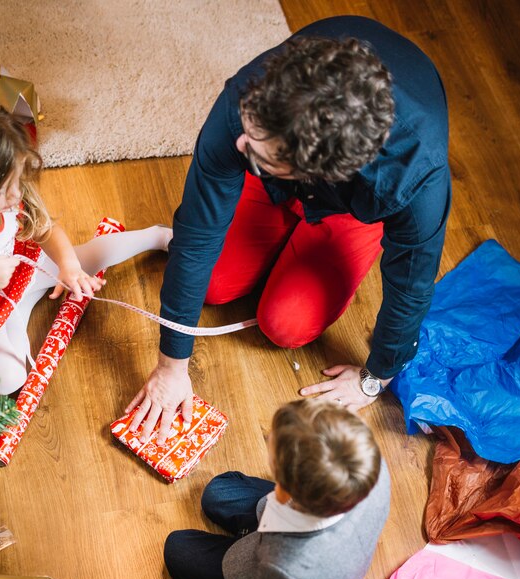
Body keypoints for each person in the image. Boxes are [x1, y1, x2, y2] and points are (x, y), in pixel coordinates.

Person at [126, 16, 451, 443]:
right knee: (212, 284)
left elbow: (411, 287)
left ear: (313, 171)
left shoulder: (414, 179)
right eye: (248, 136)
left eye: (258, 156)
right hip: (285, 178)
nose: (239, 146)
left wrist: (375, 377)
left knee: (285, 325)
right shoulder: (249, 107)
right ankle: (268, 199)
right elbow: (199, 236)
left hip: (351, 208)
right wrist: (171, 366)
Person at [0, 91, 171, 394]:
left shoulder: (10, 198)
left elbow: (45, 231)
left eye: (19, 181)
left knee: (84, 259)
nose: (18, 194)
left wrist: (68, 265)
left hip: (18, 272)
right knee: (10, 381)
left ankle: (158, 235)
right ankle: (17, 311)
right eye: (5, 189)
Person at [164, 399, 390, 579]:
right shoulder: (369, 461)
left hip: (288, 576)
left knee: (176, 549)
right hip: (304, 537)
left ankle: (245, 536)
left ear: (282, 492)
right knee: (217, 491)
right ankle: (248, 532)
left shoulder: (290, 570)